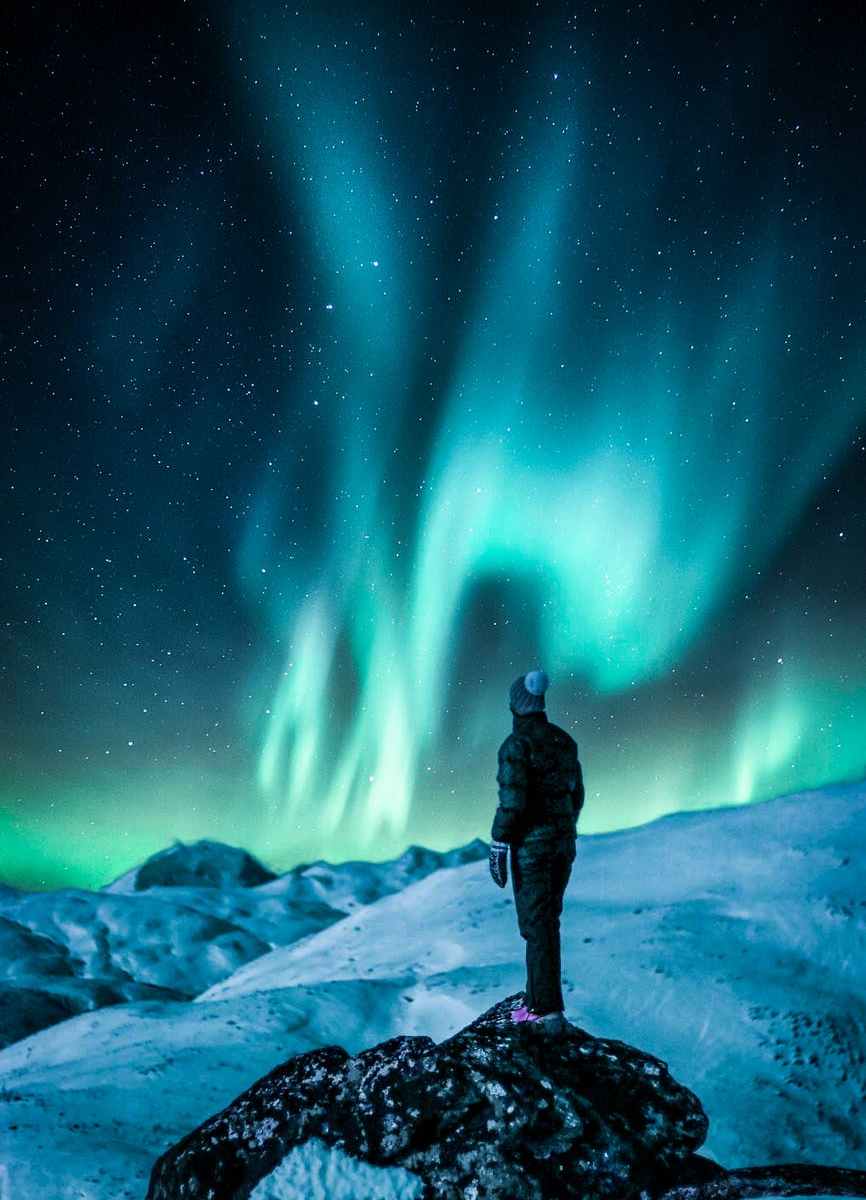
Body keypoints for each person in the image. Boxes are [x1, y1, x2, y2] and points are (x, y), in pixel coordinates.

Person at [489, 668, 584, 1033]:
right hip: (563, 843)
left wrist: (499, 842)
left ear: (516, 705)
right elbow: (577, 795)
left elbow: (513, 802)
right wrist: (564, 825)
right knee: (547, 923)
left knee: (536, 924)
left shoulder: (516, 746)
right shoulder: (564, 740)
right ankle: (539, 1002)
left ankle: (544, 1010)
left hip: (533, 848)